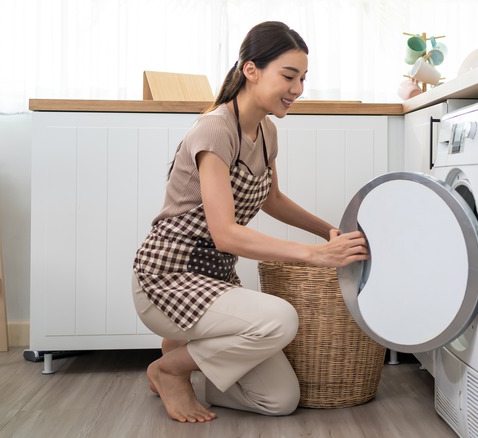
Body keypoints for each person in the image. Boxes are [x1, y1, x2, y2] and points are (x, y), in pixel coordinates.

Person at [132, 21, 368, 423]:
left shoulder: (266, 131)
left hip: (215, 281)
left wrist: (329, 231)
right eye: (289, 76)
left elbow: (273, 199)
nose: (297, 89)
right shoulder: (214, 130)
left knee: (279, 400)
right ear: (251, 70)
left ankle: (182, 356)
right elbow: (224, 234)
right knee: (280, 318)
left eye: (303, 78)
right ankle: (169, 370)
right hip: (167, 277)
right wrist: (314, 254)